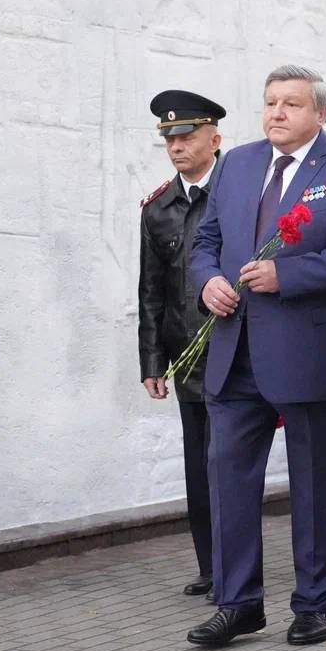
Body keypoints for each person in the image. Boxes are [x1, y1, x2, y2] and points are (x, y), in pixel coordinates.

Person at [184, 65, 326, 649]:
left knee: (318, 485)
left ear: (319, 113)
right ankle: (238, 603)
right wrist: (207, 283)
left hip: (310, 351)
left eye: (291, 104)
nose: (276, 113)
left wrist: (288, 274)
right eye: (270, 102)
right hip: (236, 348)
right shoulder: (239, 163)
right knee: (228, 482)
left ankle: (315, 603)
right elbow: (206, 242)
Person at [138, 89, 224, 599]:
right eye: (169, 138)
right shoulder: (158, 208)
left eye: (187, 136)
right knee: (199, 466)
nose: (177, 146)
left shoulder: (238, 194)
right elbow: (150, 291)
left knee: (228, 463)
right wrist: (152, 361)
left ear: (214, 138)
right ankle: (210, 566)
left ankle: (235, 563)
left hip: (234, 351)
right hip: (186, 356)